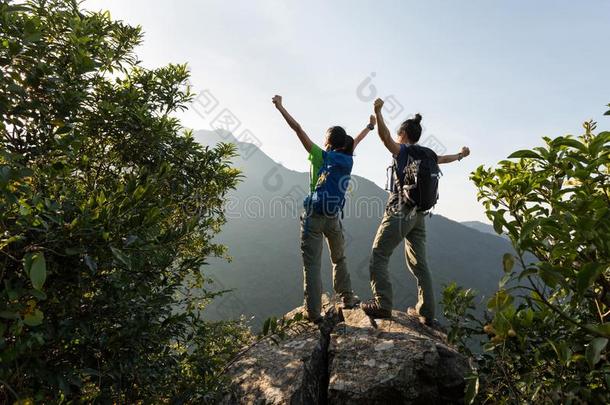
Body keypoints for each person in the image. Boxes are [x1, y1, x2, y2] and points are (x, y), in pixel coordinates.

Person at [361, 98, 471, 325]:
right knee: (420, 263)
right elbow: (445, 159)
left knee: (379, 255)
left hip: (400, 211)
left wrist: (377, 112)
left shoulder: (403, 151)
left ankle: (382, 304)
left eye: (398, 135)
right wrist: (461, 155)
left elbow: (384, 138)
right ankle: (427, 311)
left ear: (403, 134)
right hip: (420, 215)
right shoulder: (428, 153)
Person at [272, 94, 375, 322]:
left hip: (313, 215)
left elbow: (297, 128)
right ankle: (347, 297)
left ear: (328, 142)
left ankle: (313, 312)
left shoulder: (320, 155)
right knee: (339, 258)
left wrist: (280, 107)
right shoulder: (347, 159)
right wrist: (369, 126)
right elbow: (356, 140)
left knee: (312, 265)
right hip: (333, 216)